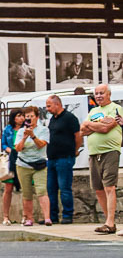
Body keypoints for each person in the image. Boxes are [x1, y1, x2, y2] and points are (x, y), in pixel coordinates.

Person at [80, 81, 120, 234]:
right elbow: (82, 130)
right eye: (96, 93)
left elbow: (106, 128)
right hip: (94, 153)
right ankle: (109, 221)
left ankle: (110, 222)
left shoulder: (116, 108)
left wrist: (90, 125)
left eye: (101, 93)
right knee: (98, 189)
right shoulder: (93, 111)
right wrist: (92, 123)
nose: (98, 96)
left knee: (109, 186)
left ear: (109, 94)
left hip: (110, 151)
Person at [44, 94, 81, 225]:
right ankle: (52, 216)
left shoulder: (70, 118)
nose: (47, 109)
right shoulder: (52, 119)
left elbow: (78, 136)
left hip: (64, 158)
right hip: (52, 158)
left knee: (64, 188)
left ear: (57, 104)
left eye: (49, 106)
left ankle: (67, 215)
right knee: (51, 189)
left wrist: (75, 150)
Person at [13, 105, 50, 227]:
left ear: (37, 117)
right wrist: (24, 137)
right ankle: (29, 218)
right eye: (27, 116)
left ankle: (47, 218)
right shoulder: (20, 131)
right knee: (27, 193)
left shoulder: (43, 130)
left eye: (31, 116)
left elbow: (41, 145)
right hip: (23, 164)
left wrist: (33, 135)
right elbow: (18, 148)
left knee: (41, 191)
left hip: (39, 164)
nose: (29, 119)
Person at [0, 107, 24, 225]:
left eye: (22, 115)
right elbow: (3, 144)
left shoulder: (25, 129)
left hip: (23, 158)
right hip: (11, 159)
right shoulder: (8, 129)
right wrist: (10, 150)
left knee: (25, 188)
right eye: (18, 116)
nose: (21, 118)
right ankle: (5, 216)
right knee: (8, 188)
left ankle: (25, 216)